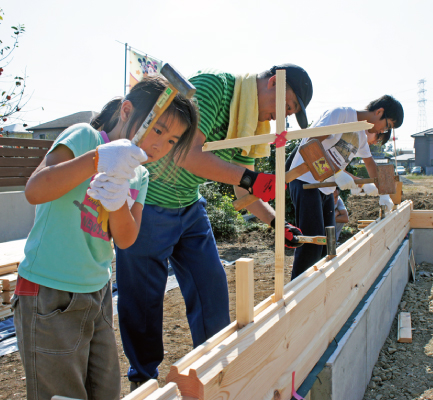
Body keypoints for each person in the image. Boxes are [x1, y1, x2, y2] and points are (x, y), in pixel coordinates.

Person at [116, 64, 313, 389]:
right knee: (144, 305)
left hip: (189, 207)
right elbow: (186, 156)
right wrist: (251, 178)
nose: (281, 119)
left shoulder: (251, 122)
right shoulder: (214, 90)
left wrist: (278, 223)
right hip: (149, 204)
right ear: (275, 83)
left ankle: (212, 378)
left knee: (212, 292)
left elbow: (242, 189)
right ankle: (144, 384)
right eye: (287, 107)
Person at [11, 76, 198, 400]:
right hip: (48, 290)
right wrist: (97, 159)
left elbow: (125, 240)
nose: (159, 145)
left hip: (96, 293)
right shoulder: (84, 137)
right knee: (61, 395)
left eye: (172, 141)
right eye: (157, 129)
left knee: (106, 391)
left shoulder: (140, 174)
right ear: (126, 111)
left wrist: (117, 205)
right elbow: (35, 190)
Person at [287, 95, 404, 279]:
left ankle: (320, 286)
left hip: (325, 188)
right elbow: (310, 144)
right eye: (388, 125)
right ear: (379, 112)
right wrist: (335, 173)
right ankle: (296, 291)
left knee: (328, 244)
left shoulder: (361, 136)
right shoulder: (340, 114)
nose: (384, 130)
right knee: (313, 243)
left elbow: (371, 165)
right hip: (305, 181)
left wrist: (384, 193)